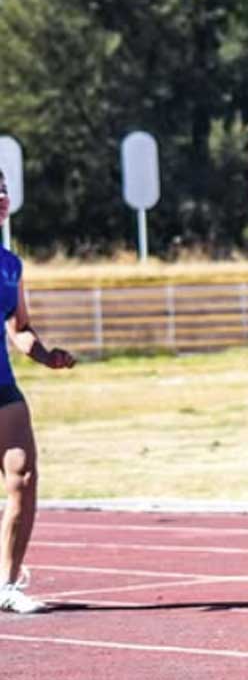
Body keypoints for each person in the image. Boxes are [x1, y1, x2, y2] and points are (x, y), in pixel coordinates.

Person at [0, 170, 76, 614]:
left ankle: (6, 586)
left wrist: (47, 356)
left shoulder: (10, 265)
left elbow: (20, 327)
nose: (1, 195)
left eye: (5, 188)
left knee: (23, 478)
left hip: (2, 386)